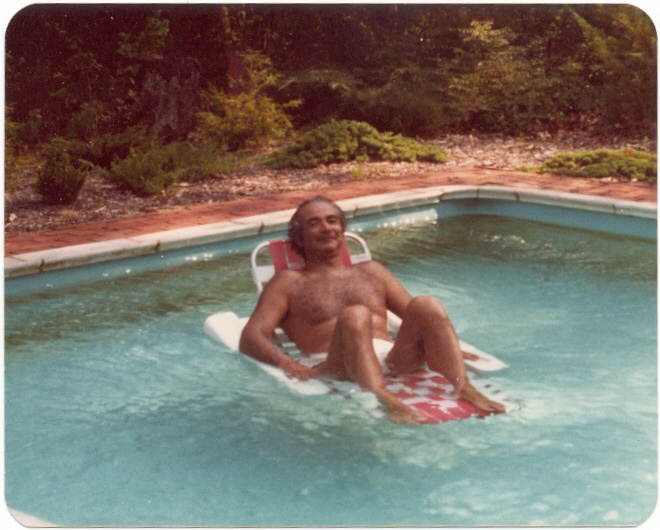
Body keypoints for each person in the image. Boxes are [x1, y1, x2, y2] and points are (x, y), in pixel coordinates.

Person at [239, 196, 505, 424]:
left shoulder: (372, 271)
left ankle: (464, 386)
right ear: (300, 238)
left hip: (393, 359)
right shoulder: (288, 282)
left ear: (342, 229)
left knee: (427, 303)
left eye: (332, 220)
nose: (326, 227)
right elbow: (251, 336)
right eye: (314, 222)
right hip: (338, 364)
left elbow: (419, 316)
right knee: (357, 314)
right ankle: (384, 398)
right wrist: (286, 363)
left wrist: (447, 345)